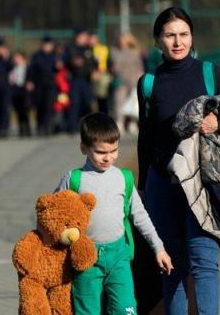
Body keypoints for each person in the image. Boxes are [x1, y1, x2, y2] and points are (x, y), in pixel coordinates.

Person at [137, 7, 220, 315]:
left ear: (192, 37)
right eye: (170, 35)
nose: (178, 42)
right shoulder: (149, 83)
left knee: (204, 260)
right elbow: (145, 139)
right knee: (171, 264)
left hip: (205, 185)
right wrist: (141, 189)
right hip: (162, 185)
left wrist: (217, 123)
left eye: (184, 34)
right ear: (157, 41)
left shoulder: (211, 73)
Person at [54, 113, 173, 315]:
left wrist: (158, 248)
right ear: (84, 148)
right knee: (87, 311)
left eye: (114, 150)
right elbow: (54, 216)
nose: (108, 157)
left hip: (120, 257)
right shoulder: (74, 180)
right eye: (101, 152)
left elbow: (140, 216)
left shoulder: (124, 178)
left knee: (125, 309)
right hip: (86, 259)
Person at [111, 33, 145, 134]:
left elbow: (140, 65)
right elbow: (114, 64)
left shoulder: (135, 51)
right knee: (119, 101)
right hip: (121, 79)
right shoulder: (114, 51)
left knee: (133, 102)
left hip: (134, 79)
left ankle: (132, 123)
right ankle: (119, 122)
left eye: (125, 40)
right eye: (121, 40)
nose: (122, 42)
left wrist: (140, 75)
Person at [64, 28, 97, 133]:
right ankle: (72, 127)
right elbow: (66, 61)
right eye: (84, 36)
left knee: (88, 103)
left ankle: (88, 128)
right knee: (75, 103)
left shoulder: (88, 49)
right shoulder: (71, 48)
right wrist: (73, 62)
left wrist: (94, 71)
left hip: (87, 80)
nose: (86, 38)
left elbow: (93, 62)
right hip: (75, 79)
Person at [26, 37, 59, 135]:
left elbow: (59, 69)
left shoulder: (55, 56)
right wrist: (29, 81)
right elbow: (31, 70)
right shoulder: (36, 56)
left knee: (49, 106)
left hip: (50, 85)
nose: (47, 47)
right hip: (39, 84)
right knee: (39, 105)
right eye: (46, 45)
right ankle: (40, 126)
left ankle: (48, 126)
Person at [89, 33, 113, 115]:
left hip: (102, 74)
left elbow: (109, 62)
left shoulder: (103, 49)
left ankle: (104, 114)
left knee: (102, 95)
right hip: (91, 75)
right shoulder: (88, 50)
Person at [10, 51, 31, 137]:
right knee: (18, 111)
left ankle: (27, 129)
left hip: (24, 91)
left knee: (25, 111)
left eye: (18, 57)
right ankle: (21, 129)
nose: (16, 59)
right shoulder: (13, 69)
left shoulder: (27, 68)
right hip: (16, 90)